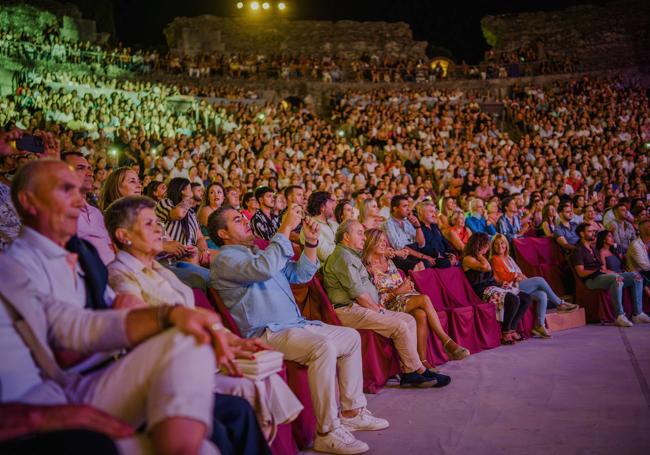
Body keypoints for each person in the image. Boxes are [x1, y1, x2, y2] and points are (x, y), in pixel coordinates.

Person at [0, 159, 251, 454]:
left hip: (96, 376)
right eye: (66, 190)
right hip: (52, 394)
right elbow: (70, 331)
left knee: (188, 340)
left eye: (80, 191)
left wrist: (163, 315)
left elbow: (86, 319)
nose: (80, 201)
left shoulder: (82, 253)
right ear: (29, 201)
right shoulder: (14, 265)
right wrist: (165, 315)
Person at [105, 195, 302, 441]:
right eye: (148, 224)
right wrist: (215, 344)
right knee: (244, 401)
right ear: (123, 236)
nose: (159, 228)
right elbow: (145, 334)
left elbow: (195, 316)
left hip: (196, 356)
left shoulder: (159, 271)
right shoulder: (120, 276)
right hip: (167, 371)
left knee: (259, 383)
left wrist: (232, 340)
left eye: (158, 222)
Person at [208, 205, 389, 455]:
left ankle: (352, 411)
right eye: (238, 220)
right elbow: (263, 269)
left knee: (350, 337)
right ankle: (326, 431)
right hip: (267, 332)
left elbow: (301, 274)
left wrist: (311, 243)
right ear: (223, 234)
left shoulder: (261, 253)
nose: (246, 221)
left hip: (295, 326)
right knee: (322, 347)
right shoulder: (226, 259)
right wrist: (284, 228)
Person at [323, 220, 451, 388]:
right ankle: (416, 371)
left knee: (409, 320)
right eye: (360, 233)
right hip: (348, 310)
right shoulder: (343, 257)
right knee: (400, 325)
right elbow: (360, 295)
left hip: (362, 307)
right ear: (346, 236)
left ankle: (410, 370)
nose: (364, 237)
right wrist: (379, 310)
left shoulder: (351, 255)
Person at [362, 228, 469, 364]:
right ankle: (446, 341)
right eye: (379, 241)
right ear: (371, 242)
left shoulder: (388, 260)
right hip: (387, 303)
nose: (384, 243)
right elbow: (375, 298)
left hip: (403, 297)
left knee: (421, 314)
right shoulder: (367, 267)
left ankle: (422, 362)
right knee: (424, 299)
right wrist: (399, 290)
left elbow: (399, 281)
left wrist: (407, 285)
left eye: (385, 240)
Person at [489, 234, 578, 338]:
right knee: (540, 280)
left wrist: (519, 276)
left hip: (517, 284)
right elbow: (502, 275)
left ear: (506, 244)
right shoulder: (494, 259)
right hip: (508, 287)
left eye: (502, 243)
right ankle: (559, 303)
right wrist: (516, 275)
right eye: (497, 244)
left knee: (542, 295)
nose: (500, 246)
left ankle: (539, 325)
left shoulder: (508, 258)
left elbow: (519, 272)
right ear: (493, 246)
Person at [571, 223, 649, 327]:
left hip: (601, 276)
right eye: (589, 231)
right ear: (581, 234)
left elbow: (603, 268)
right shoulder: (578, 250)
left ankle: (637, 314)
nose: (593, 233)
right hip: (591, 280)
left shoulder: (593, 249)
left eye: (594, 231)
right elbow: (581, 272)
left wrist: (606, 271)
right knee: (616, 278)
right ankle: (619, 316)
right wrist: (597, 271)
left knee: (636, 276)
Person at [462, 232, 533, 344]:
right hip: (481, 290)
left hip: (492, 286)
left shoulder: (482, 258)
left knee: (526, 298)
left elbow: (491, 277)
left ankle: (512, 328)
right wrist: (479, 254)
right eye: (486, 244)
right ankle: (505, 332)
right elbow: (486, 268)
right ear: (479, 245)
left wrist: (501, 284)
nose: (488, 246)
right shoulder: (468, 259)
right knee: (512, 299)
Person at [62, 152, 115, 264]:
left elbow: (110, 246)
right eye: (81, 168)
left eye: (90, 168)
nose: (90, 173)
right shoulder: (58, 211)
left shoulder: (96, 212)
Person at [384, 195, 435, 271]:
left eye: (408, 206)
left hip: (415, 252)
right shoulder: (388, 224)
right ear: (395, 208)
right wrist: (423, 256)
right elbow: (399, 247)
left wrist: (418, 226)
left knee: (436, 261)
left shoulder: (407, 221)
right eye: (404, 206)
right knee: (424, 264)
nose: (408, 209)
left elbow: (421, 244)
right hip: (403, 256)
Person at [416, 200, 457, 268]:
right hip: (433, 259)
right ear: (421, 212)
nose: (434, 215)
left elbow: (444, 241)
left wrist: (451, 253)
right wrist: (438, 255)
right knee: (445, 263)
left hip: (444, 256)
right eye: (431, 212)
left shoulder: (434, 226)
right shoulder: (418, 228)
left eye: (434, 212)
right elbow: (422, 248)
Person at [304, 191, 339, 262]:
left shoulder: (334, 224)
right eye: (331, 202)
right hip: (328, 269)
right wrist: (345, 246)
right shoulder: (311, 226)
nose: (335, 205)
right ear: (322, 207)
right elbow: (325, 254)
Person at [626, 219, 650, 297]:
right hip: (639, 273)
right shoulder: (635, 245)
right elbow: (644, 266)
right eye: (649, 226)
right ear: (642, 230)